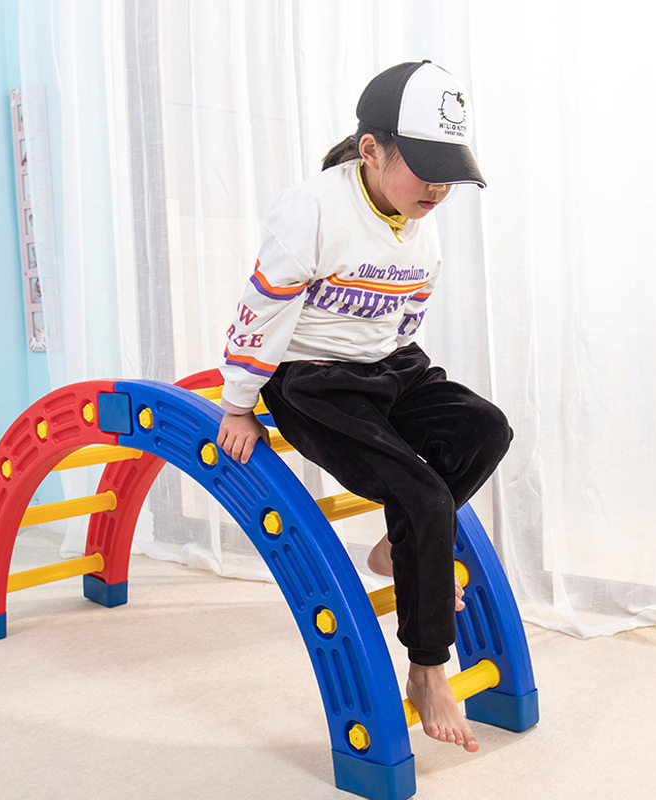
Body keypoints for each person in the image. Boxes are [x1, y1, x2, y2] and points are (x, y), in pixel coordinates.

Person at [216, 61, 511, 753]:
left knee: (485, 430)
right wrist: (237, 404)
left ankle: (396, 544)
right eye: (425, 170)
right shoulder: (313, 208)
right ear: (372, 150)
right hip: (313, 377)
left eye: (449, 175)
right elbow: (262, 309)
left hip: (389, 363)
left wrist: (405, 387)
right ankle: (427, 666)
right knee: (423, 495)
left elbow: (406, 317)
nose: (438, 189)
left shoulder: (420, 222)